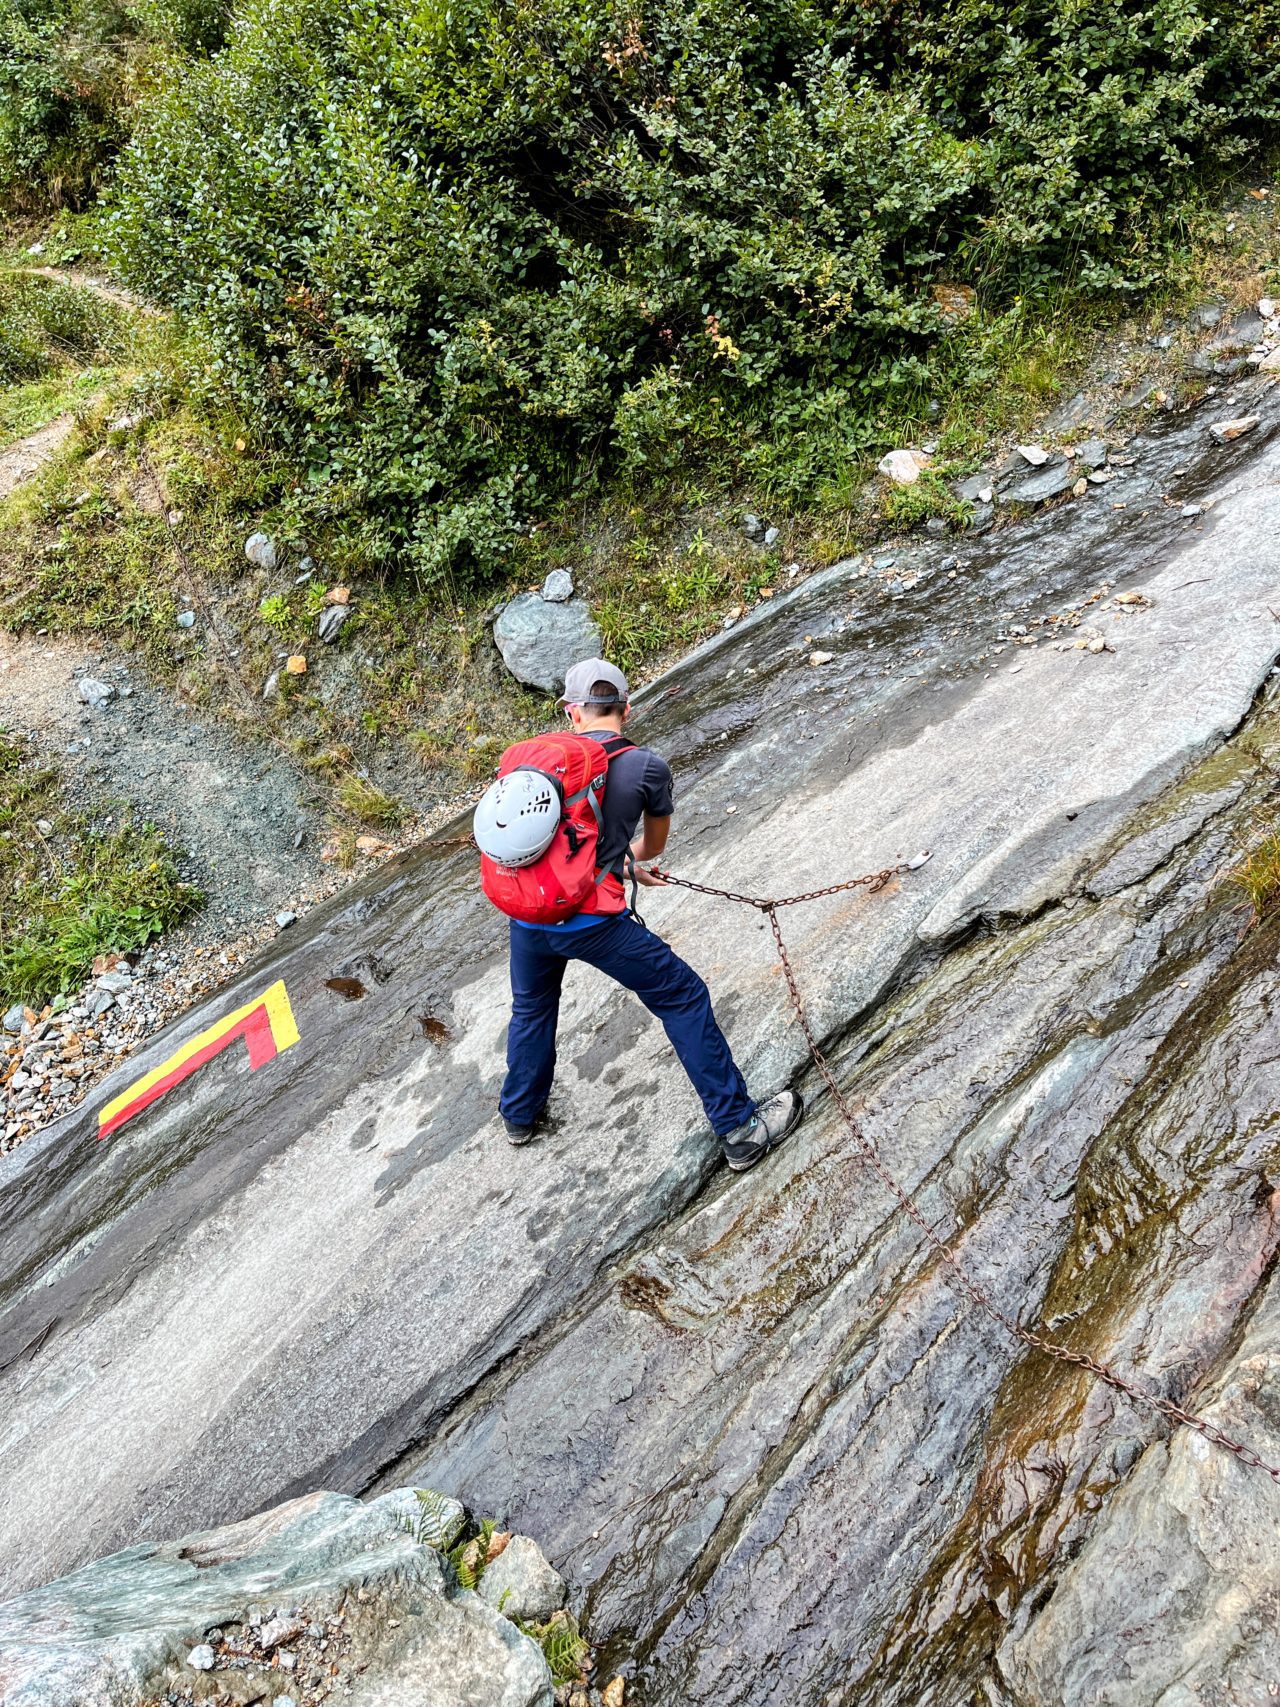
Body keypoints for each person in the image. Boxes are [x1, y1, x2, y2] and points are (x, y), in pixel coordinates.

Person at [498, 657, 803, 1171]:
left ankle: (519, 1116)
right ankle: (740, 1129)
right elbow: (651, 845)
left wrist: (614, 863)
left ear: (572, 713)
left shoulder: (542, 764)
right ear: (626, 709)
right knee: (683, 997)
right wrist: (627, 862)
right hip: (592, 923)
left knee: (531, 1008)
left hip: (528, 916)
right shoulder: (646, 766)